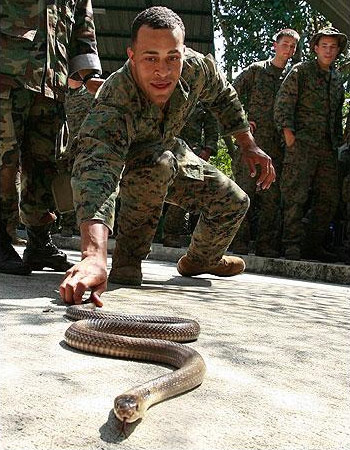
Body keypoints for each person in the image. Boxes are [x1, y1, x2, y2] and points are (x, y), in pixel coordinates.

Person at [59, 6, 275, 304]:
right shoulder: (115, 97)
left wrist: (248, 144)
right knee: (156, 164)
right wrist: (94, 256)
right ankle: (127, 262)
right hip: (130, 164)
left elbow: (224, 96)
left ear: (183, 52)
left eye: (172, 57)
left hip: (169, 149)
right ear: (131, 55)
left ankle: (201, 260)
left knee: (234, 202)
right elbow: (97, 171)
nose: (163, 71)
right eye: (150, 58)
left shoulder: (196, 69)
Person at [0, 0, 103, 275]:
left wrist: (89, 73)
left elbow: (83, 27)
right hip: (7, 72)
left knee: (44, 162)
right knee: (4, 160)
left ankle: (38, 242)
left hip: (51, 81)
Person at [274, 27, 348, 262]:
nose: (328, 50)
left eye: (333, 47)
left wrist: (338, 142)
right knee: (295, 196)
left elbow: (336, 115)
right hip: (301, 144)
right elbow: (283, 103)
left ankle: (312, 244)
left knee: (329, 198)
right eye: (324, 46)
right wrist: (289, 136)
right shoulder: (301, 71)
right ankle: (291, 245)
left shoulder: (337, 80)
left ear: (338, 51)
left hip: (327, 148)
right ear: (316, 48)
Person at [232, 29, 300, 257]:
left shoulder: (293, 76)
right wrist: (242, 121)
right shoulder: (256, 70)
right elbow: (231, 94)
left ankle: (265, 244)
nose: (288, 49)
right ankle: (239, 242)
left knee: (271, 198)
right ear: (275, 45)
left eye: (292, 46)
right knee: (243, 192)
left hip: (277, 147)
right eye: (285, 44)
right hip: (251, 144)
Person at [162, 101, 219, 248]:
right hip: (166, 148)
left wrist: (207, 150)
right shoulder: (168, 90)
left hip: (191, 154)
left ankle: (172, 235)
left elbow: (212, 127)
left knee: (187, 193)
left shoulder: (203, 100)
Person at [60, 78, 95, 237]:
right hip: (83, 148)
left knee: (69, 185)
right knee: (82, 187)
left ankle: (68, 224)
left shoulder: (64, 95)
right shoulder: (94, 96)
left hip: (71, 148)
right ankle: (76, 224)